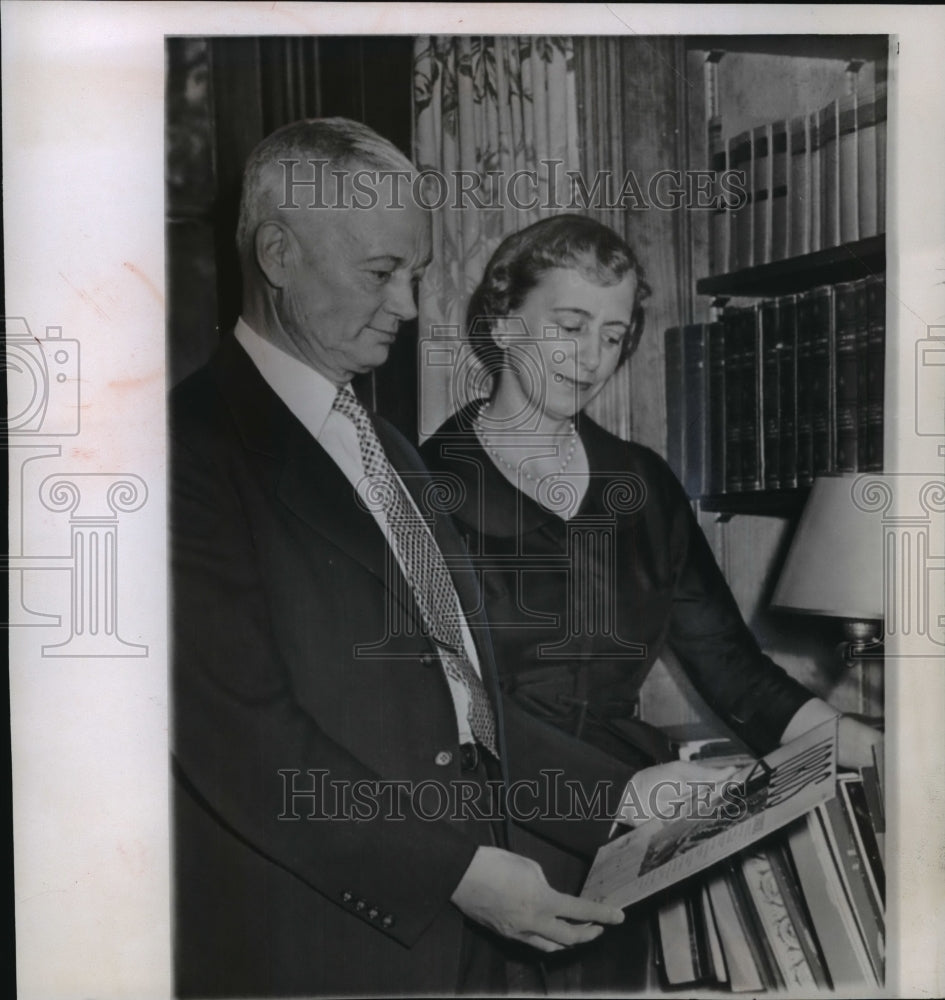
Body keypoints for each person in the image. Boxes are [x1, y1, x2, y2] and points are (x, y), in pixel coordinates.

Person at [169, 121, 650, 999]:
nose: (407, 306)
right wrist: (456, 873)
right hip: (320, 948)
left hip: (463, 939)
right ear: (278, 253)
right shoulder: (181, 449)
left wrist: (634, 799)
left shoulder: (387, 444)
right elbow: (240, 740)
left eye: (416, 276)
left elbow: (463, 703)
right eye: (381, 273)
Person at [419, 214, 884, 987]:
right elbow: (433, 705)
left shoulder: (644, 486)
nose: (593, 358)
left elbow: (734, 673)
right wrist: (621, 790)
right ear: (503, 325)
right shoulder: (423, 489)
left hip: (627, 852)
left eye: (613, 333)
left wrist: (859, 746)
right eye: (568, 326)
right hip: (485, 844)